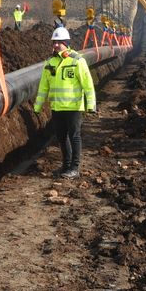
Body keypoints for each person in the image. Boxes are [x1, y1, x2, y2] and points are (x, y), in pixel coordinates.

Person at [34, 26, 96, 179]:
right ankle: (66, 166)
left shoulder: (77, 60)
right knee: (61, 137)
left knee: (74, 136)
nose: (55, 45)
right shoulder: (50, 63)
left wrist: (91, 105)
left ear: (66, 42)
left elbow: (87, 84)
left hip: (73, 107)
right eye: (54, 42)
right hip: (57, 107)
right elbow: (43, 86)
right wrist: (38, 105)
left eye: (58, 42)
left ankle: (74, 167)